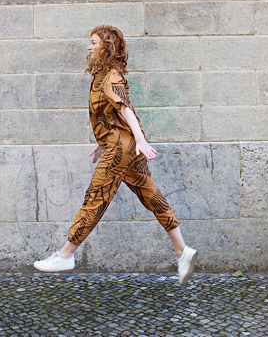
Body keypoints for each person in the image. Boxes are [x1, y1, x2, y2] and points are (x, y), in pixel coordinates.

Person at [33, 25, 197, 285]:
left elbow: (125, 109)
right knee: (151, 195)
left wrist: (140, 140)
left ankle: (66, 254)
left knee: (96, 196)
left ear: (105, 47)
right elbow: (111, 114)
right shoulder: (102, 75)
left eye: (93, 42)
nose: (89, 47)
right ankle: (182, 250)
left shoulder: (110, 76)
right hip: (121, 143)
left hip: (122, 147)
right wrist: (103, 142)